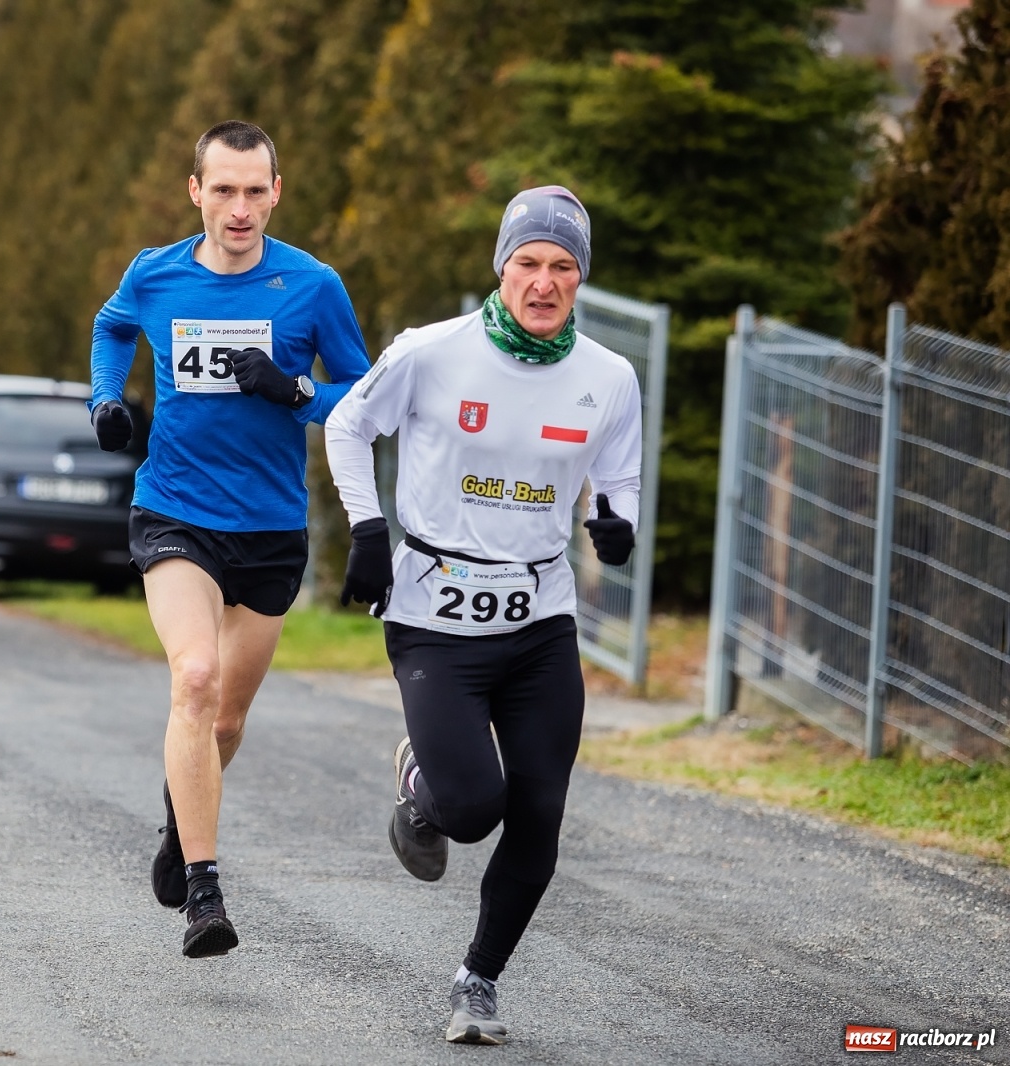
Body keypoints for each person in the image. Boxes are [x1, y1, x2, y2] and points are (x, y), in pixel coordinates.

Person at [324, 186, 643, 1044]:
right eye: (528, 262)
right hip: (435, 613)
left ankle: (479, 980)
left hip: (540, 622)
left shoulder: (609, 378)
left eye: (563, 267)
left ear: (580, 279)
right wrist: (368, 528)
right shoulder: (431, 352)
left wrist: (617, 525)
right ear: (502, 267)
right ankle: (423, 783)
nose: (544, 282)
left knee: (540, 810)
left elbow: (619, 480)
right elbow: (348, 427)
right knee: (471, 810)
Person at [90, 120, 372, 957]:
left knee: (223, 722)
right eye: (223, 190)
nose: (239, 208)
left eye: (254, 191)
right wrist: (106, 399)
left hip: (270, 527)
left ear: (276, 194)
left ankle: (179, 822)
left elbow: (364, 396)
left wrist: (295, 391)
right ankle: (205, 893)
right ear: (196, 192)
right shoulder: (155, 273)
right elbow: (111, 327)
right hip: (175, 511)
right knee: (196, 678)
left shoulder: (312, 285)